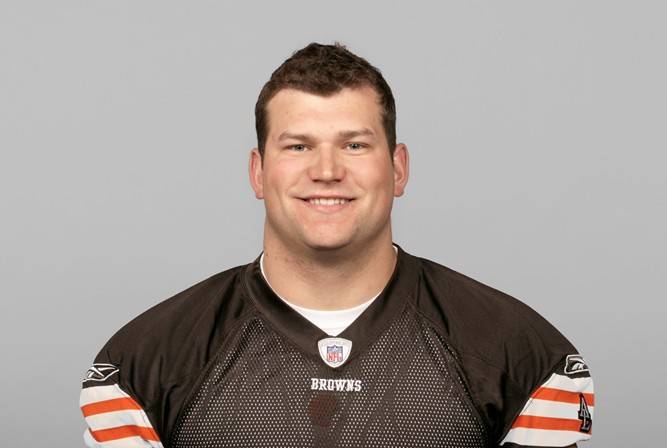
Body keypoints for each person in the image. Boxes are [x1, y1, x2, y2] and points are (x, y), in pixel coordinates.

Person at [80, 42, 594, 448]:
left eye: (354, 144)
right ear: (258, 172)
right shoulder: (143, 366)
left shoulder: (520, 358)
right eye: (298, 146)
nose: (326, 171)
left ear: (398, 168)